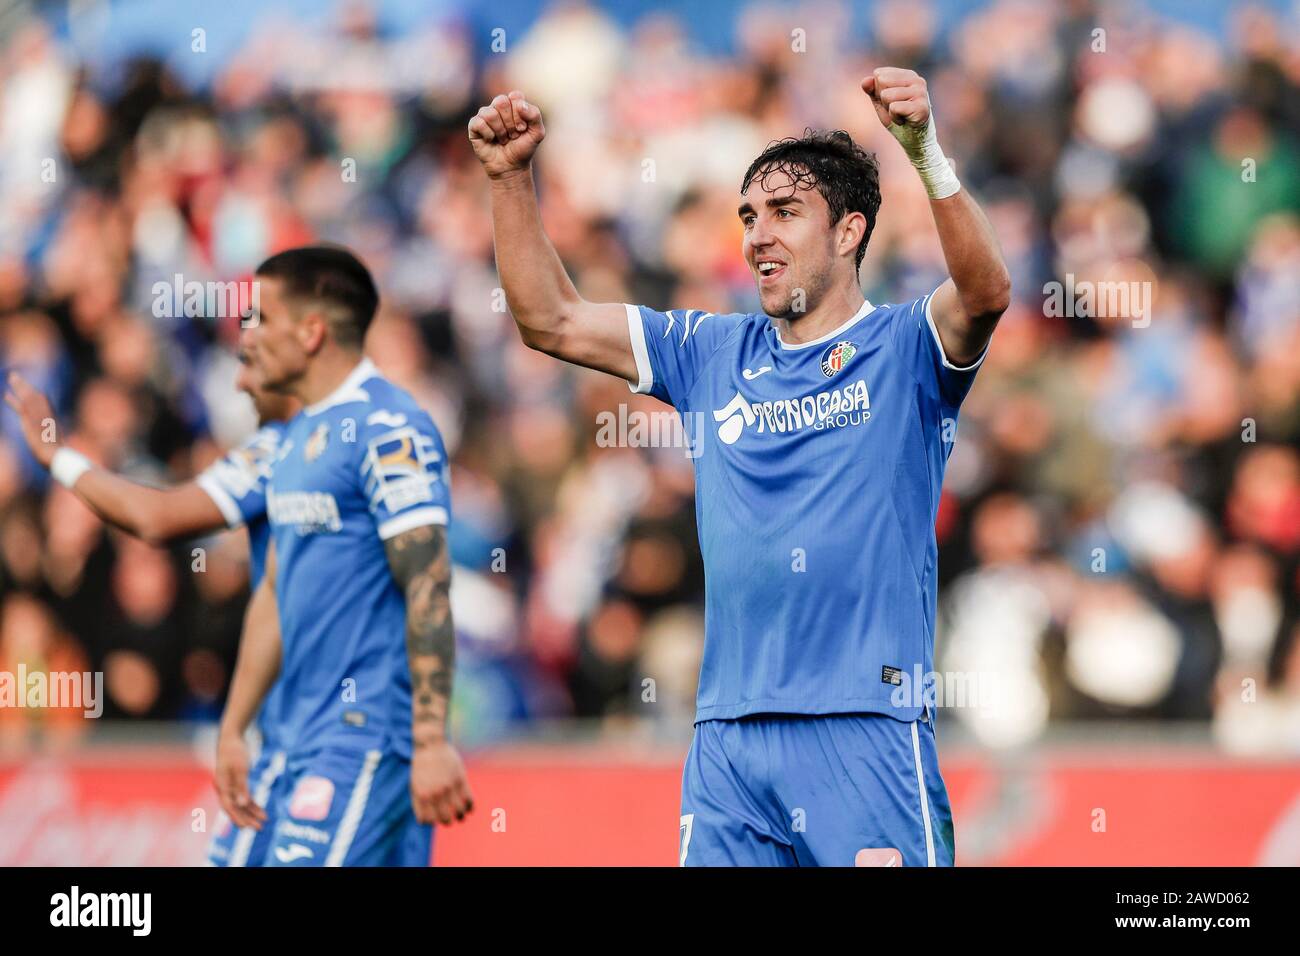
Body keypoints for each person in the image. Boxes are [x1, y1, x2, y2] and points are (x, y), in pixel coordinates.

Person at [469, 68, 1010, 866]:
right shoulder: (712, 350)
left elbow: (986, 291)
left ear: (850, 231)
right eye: (749, 216)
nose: (758, 234)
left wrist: (925, 154)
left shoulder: (902, 348)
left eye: (786, 213)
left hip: (864, 727)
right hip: (729, 740)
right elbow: (550, 319)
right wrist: (510, 178)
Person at [5, 355, 297, 867]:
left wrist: (58, 460)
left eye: (256, 348)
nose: (239, 375)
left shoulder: (343, 444)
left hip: (339, 738)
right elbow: (157, 517)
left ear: (309, 337)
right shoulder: (274, 452)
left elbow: (157, 518)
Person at [241, 245, 473, 866]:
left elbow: (427, 578)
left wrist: (429, 739)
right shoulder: (294, 439)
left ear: (311, 331)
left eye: (262, 318)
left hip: (366, 736)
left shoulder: (390, 427)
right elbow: (274, 588)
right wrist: (236, 729)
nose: (251, 337)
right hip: (301, 738)